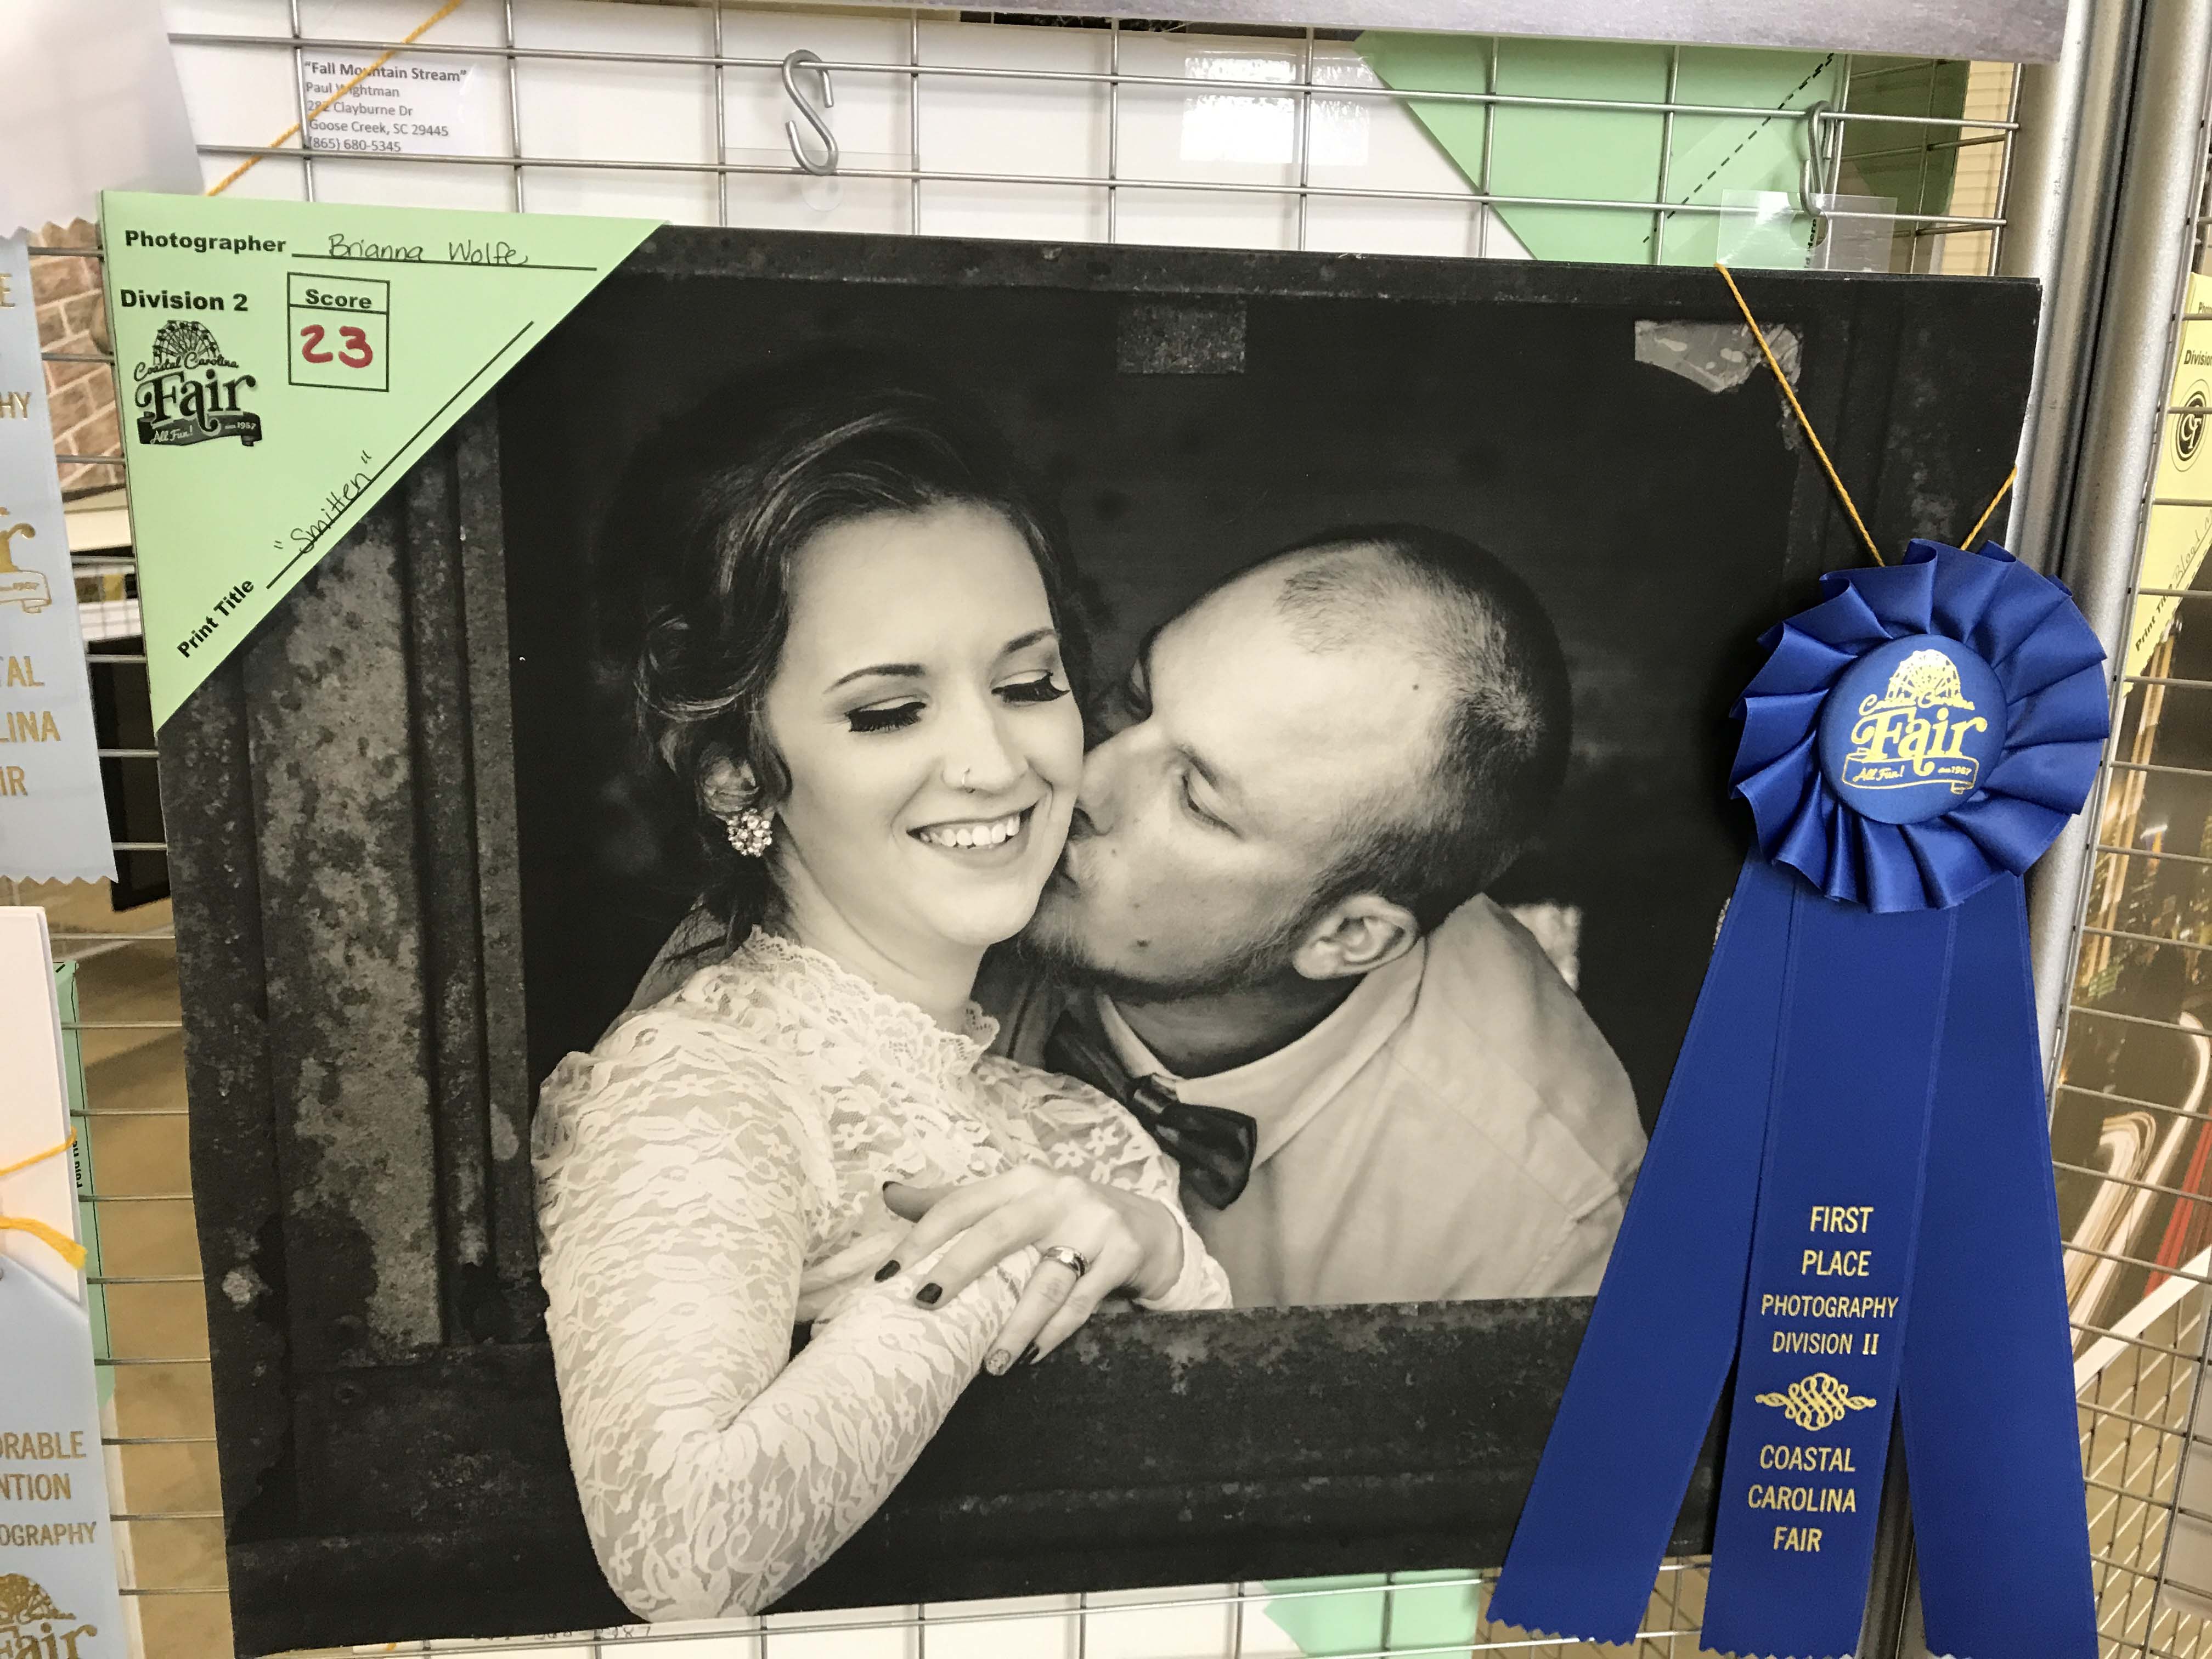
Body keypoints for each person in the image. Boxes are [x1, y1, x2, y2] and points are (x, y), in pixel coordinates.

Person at [532, 385, 1231, 1624]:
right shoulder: (704, 1082)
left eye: (1029, 685)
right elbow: (679, 1555)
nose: (996, 764)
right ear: (737, 773)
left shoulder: (1080, 1130)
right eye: (889, 711)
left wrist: (1158, 1249)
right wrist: (976, 1276)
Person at [986, 525, 1645, 1308]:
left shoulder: (1537, 1232)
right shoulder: (969, 817)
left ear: (1346, 937)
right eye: (1136, 699)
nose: (1084, 780)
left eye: (1195, 800)